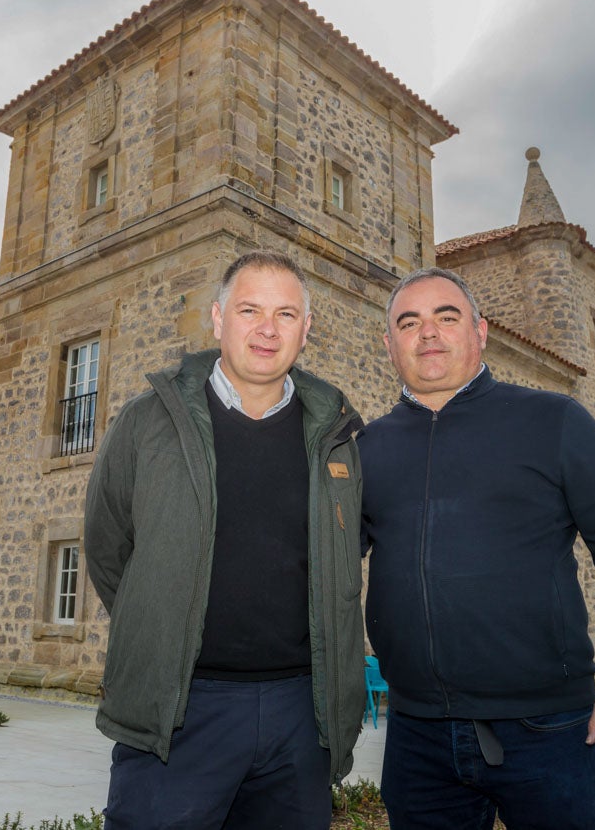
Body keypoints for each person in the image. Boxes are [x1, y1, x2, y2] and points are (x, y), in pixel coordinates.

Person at [360, 266, 595, 829]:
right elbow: (320, 561)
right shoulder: (367, 449)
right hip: (417, 737)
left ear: (480, 332)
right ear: (389, 345)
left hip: (548, 730)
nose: (428, 333)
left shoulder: (553, 420)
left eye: (446, 317)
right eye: (409, 322)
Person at [84, 250, 367, 830]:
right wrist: (165, 628)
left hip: (300, 714)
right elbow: (107, 548)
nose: (267, 329)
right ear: (217, 319)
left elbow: (348, 550)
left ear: (305, 329)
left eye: (286, 314)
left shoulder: (338, 437)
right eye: (250, 310)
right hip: (181, 711)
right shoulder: (144, 423)